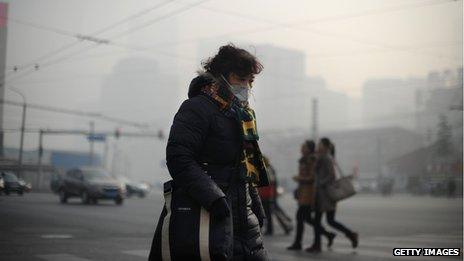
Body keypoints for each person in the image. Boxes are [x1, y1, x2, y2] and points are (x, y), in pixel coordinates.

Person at [152, 44, 269, 260]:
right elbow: (179, 157)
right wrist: (214, 199)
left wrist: (256, 209)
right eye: (241, 79)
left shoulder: (243, 115)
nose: (247, 87)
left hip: (244, 219)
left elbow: (243, 168)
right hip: (206, 216)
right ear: (221, 77)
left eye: (250, 81)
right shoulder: (196, 108)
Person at [307, 137, 358, 253]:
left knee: (319, 220)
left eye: (319, 144)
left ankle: (317, 245)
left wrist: (319, 184)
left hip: (325, 196)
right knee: (329, 220)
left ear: (325, 146)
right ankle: (351, 234)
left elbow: (331, 175)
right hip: (325, 195)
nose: (318, 146)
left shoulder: (326, 158)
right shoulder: (323, 157)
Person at [287, 140, 335, 251]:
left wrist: (299, 179)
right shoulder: (303, 160)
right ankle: (327, 235)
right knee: (307, 219)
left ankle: (298, 243)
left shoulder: (312, 160)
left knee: (301, 217)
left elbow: (313, 178)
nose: (301, 149)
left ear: (309, 149)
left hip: (310, 194)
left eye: (304, 147)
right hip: (303, 193)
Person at [258, 156, 293, 235]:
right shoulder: (267, 169)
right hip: (268, 194)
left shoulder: (268, 169)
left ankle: (285, 225)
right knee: (271, 212)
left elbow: (271, 182)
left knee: (271, 212)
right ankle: (285, 225)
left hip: (268, 194)